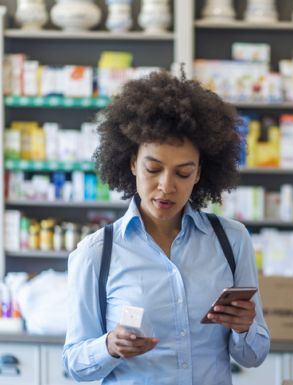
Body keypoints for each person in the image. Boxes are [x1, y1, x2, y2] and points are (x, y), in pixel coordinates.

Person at [63, 71, 270, 384]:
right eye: (153, 169)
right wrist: (109, 346)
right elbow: (74, 364)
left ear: (200, 172)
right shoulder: (96, 253)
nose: (166, 186)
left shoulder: (231, 240)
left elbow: (254, 355)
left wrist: (244, 328)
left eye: (183, 173)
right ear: (132, 162)